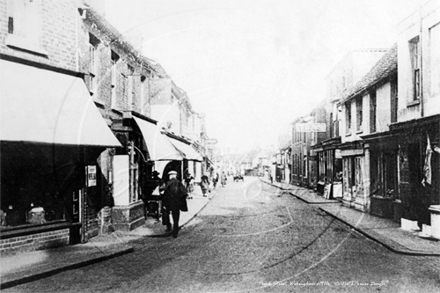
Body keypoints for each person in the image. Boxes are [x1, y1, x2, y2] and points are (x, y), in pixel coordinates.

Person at [162, 170, 188, 238]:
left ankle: (169, 228)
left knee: (166, 214)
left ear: (170, 176)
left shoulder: (168, 183)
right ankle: (175, 232)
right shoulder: (179, 183)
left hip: (168, 203)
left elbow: (164, 194)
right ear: (175, 176)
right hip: (176, 203)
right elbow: (184, 193)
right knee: (176, 218)